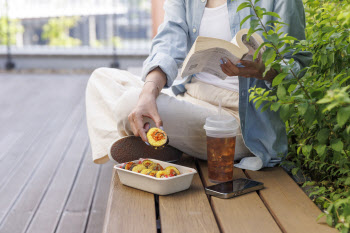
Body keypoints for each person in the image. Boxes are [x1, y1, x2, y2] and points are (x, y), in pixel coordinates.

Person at [85, 0, 311, 170]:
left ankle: (157, 144)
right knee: (102, 78)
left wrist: (264, 70)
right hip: (188, 97)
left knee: (127, 103)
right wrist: (148, 93)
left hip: (238, 119)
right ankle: (162, 144)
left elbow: (298, 64)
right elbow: (167, 43)